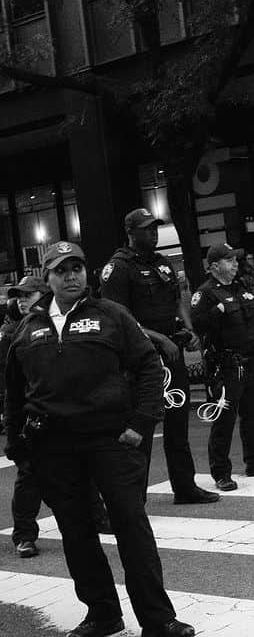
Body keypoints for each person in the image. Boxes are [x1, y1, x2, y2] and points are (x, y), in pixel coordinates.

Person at [4, 241, 195, 637]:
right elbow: (14, 389)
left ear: (85, 273)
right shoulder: (28, 328)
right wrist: (19, 446)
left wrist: (141, 423)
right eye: (61, 270)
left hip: (111, 441)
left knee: (132, 528)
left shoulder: (111, 315)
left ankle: (158, 619)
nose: (71, 275)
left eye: (77, 267)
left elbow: (147, 367)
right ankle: (103, 613)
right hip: (55, 448)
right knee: (76, 534)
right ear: (48, 277)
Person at [100, 208, 218, 506]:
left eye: (155, 227)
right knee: (143, 424)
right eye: (146, 229)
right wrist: (158, 338)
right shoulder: (118, 268)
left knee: (178, 421)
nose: (153, 233)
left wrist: (189, 330)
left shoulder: (163, 263)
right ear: (131, 233)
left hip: (171, 352)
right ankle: (133, 497)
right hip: (140, 359)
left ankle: (185, 486)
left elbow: (177, 300)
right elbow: (119, 317)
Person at [190, 244, 254, 492]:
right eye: (229, 260)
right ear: (214, 266)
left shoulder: (241, 288)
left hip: (250, 360)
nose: (235, 264)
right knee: (224, 420)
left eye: (235, 260)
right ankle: (221, 472)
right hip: (226, 365)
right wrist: (216, 313)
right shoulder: (206, 293)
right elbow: (199, 325)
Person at [4, 278, 46, 559]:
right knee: (29, 476)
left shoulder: (58, 322)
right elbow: (12, 390)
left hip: (67, 415)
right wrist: (12, 433)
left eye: (28, 294)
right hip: (34, 417)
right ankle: (24, 536)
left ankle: (97, 518)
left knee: (83, 472)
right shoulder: (14, 332)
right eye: (18, 296)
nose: (21, 300)